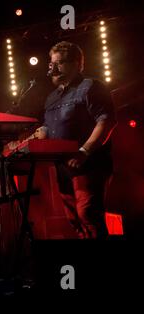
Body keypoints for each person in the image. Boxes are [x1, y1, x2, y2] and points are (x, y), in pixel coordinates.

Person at [42, 41, 117, 239]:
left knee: (88, 215)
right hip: (62, 169)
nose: (54, 68)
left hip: (89, 165)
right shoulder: (51, 98)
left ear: (76, 63)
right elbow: (50, 130)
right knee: (74, 220)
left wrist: (84, 151)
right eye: (52, 63)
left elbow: (107, 121)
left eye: (60, 63)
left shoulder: (91, 86)